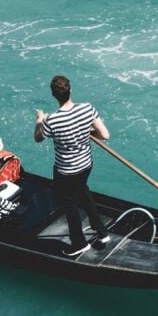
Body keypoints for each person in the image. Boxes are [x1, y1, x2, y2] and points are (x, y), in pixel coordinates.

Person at [34, 75, 111, 256]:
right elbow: (104, 135)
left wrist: (39, 122)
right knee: (83, 191)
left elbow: (38, 138)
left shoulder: (51, 120)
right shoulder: (87, 109)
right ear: (71, 90)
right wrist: (84, 131)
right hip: (86, 164)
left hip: (65, 171)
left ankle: (79, 243)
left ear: (53, 95)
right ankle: (102, 231)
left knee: (67, 204)